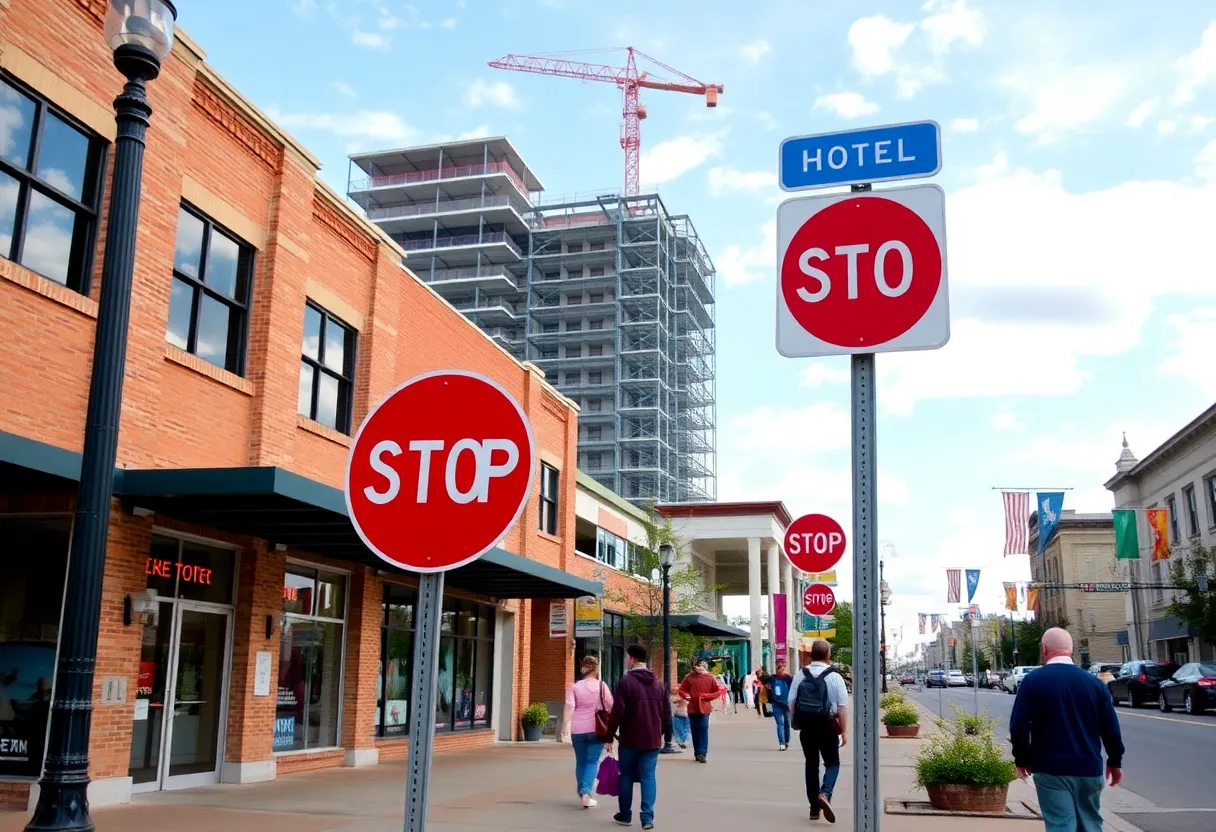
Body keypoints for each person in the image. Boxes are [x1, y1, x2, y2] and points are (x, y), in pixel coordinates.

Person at [1009, 627, 1124, 832]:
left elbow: (1019, 725)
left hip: (1050, 768)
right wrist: (1115, 762)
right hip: (1089, 767)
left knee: (1060, 824)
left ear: (1044, 649)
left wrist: (1021, 759)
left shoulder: (1033, 681)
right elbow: (1110, 728)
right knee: (1090, 824)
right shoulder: (1094, 684)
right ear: (1070, 650)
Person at [608, 644, 671, 830]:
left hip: (629, 739)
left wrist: (608, 735)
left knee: (626, 775)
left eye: (627, 657)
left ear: (633, 658)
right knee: (648, 777)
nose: (626, 660)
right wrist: (662, 734)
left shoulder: (625, 682)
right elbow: (667, 714)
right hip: (652, 740)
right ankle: (647, 817)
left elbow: (617, 712)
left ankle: (625, 814)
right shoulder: (658, 684)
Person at [789, 639, 850, 824]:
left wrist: (797, 720)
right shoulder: (835, 677)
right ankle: (825, 793)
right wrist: (844, 731)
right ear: (828, 654)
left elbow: (791, 702)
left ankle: (814, 809)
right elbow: (842, 707)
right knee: (832, 763)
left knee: (811, 765)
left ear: (810, 655)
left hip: (807, 727)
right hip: (827, 726)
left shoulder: (801, 674)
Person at [558, 655, 614, 809]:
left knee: (581, 762)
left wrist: (563, 730)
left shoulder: (574, 687)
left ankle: (583, 791)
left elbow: (569, 707)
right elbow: (612, 706)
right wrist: (611, 733)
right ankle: (585, 794)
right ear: (596, 669)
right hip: (597, 729)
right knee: (591, 762)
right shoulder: (602, 686)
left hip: (577, 730)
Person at [678, 659, 720, 763]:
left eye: (703, 666)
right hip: (692, 707)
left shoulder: (710, 677)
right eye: (699, 666)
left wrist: (706, 696)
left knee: (703, 728)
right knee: (695, 730)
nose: (700, 668)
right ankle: (697, 752)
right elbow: (682, 690)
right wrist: (686, 696)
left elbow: (717, 691)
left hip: (704, 708)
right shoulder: (689, 677)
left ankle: (702, 753)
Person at [768, 660, 794, 750]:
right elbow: (765, 681)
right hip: (776, 704)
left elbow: (795, 685)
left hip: (786, 704)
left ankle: (786, 741)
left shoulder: (789, 678)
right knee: (780, 723)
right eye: (778, 667)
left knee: (787, 723)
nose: (780, 669)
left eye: (782, 667)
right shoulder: (773, 678)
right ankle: (781, 743)